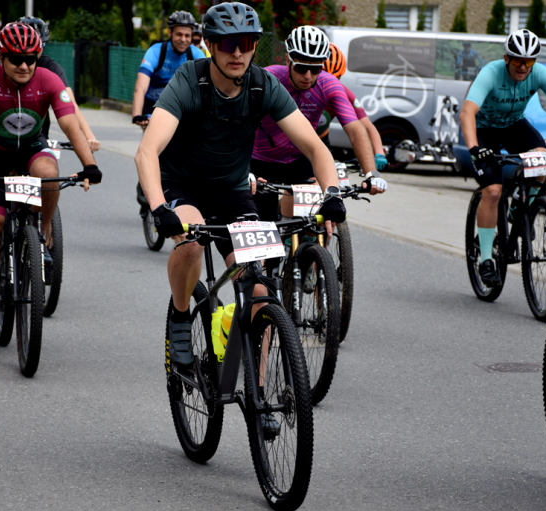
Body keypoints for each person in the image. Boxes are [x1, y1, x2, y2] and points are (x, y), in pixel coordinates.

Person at [134, 2, 347, 371]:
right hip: (181, 185)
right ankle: (181, 318)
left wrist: (332, 195)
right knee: (189, 245)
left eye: (246, 42)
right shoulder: (189, 79)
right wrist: (158, 209)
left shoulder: (263, 84)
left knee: (261, 292)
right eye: (228, 43)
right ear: (212, 45)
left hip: (233, 190)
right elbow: (147, 151)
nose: (238, 52)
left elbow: (315, 147)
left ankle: (260, 395)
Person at [0, 22, 101, 336]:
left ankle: (42, 235)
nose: (25, 65)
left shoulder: (49, 80)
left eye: (31, 58)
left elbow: (70, 125)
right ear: (1, 57)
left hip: (30, 147)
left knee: (50, 174)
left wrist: (89, 164)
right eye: (16, 58)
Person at [459, 29, 546, 286]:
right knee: (493, 191)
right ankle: (485, 259)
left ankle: (518, 207)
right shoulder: (491, 73)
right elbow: (467, 112)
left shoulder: (538, 73)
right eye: (517, 60)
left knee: (543, 162)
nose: (523, 66)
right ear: (507, 58)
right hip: (484, 131)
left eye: (529, 61)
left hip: (515, 126)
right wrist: (474, 148)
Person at [251, 26, 386, 224]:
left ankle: (311, 252)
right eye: (301, 67)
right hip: (262, 161)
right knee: (262, 230)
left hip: (301, 159)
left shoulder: (329, 84)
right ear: (288, 60)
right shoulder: (269, 78)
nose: (308, 76)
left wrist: (371, 173)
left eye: (315, 69)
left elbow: (356, 130)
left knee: (319, 222)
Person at [18, 16, 100, 151]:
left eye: (40, 46)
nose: (34, 51)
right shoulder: (5, 65)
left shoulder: (50, 66)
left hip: (37, 132)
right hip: (2, 133)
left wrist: (88, 136)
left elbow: (69, 103)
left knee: (46, 169)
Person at [319, 42, 387, 171]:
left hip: (321, 140)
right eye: (322, 80)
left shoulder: (343, 92)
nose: (327, 86)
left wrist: (379, 152)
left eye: (334, 80)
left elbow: (367, 126)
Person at [131, 11, 205, 129]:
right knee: (153, 140)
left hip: (180, 105)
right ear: (170, 33)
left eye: (187, 35)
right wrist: (137, 114)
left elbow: (206, 87)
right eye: (179, 34)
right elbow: (140, 87)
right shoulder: (156, 51)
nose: (183, 39)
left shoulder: (197, 54)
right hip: (153, 103)